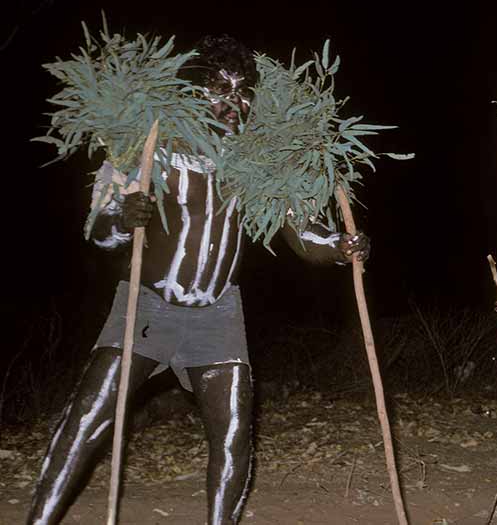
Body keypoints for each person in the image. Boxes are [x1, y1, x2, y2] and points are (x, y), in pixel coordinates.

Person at [28, 35, 370, 525]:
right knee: (87, 419)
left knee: (233, 433)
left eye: (243, 89)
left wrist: (341, 248)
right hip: (147, 308)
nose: (233, 101)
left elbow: (304, 236)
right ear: (192, 92)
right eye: (219, 87)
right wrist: (125, 218)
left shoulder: (260, 163)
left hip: (218, 315)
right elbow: (100, 232)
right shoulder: (150, 146)